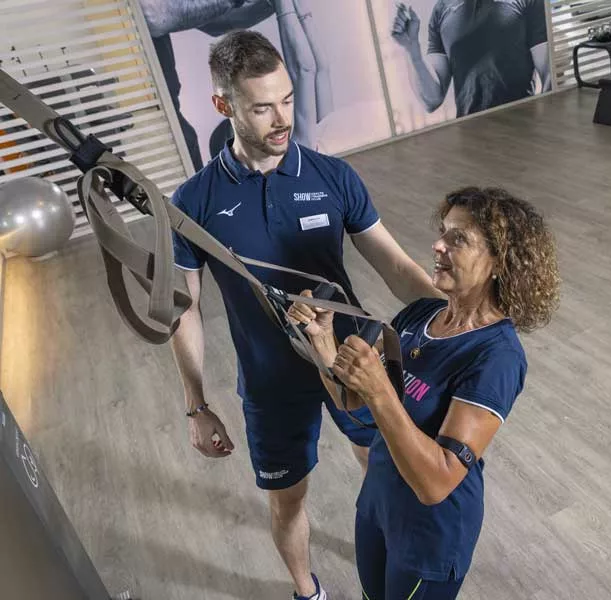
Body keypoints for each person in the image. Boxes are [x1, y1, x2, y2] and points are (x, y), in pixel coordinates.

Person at [168, 30, 440, 600]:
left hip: (353, 361)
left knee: (384, 470)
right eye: (262, 106)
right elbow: (184, 308)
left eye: (287, 99)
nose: (281, 117)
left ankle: (391, 568)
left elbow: (391, 261)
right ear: (224, 106)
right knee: (287, 499)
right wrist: (196, 405)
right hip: (271, 381)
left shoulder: (332, 176)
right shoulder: (194, 202)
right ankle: (307, 590)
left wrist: (452, 318)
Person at [289, 186, 560, 599]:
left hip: (430, 534)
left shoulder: (497, 356)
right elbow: (352, 400)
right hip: (377, 505)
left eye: (458, 239)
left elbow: (437, 482)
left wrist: (381, 392)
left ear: (498, 263)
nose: (437, 245)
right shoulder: (420, 313)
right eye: (442, 232)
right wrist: (322, 340)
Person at [140, 0, 331, 170]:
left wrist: (284, 7)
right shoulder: (298, 158)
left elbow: (314, 70)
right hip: (154, 118)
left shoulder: (295, 157)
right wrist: (289, 8)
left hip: (160, 119)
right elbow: (314, 70)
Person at [391, 0, 552, 118]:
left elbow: (549, 75)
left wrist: (544, 126)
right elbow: (431, 100)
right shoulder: (441, 10)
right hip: (470, 139)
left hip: (523, 130)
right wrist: (412, 49)